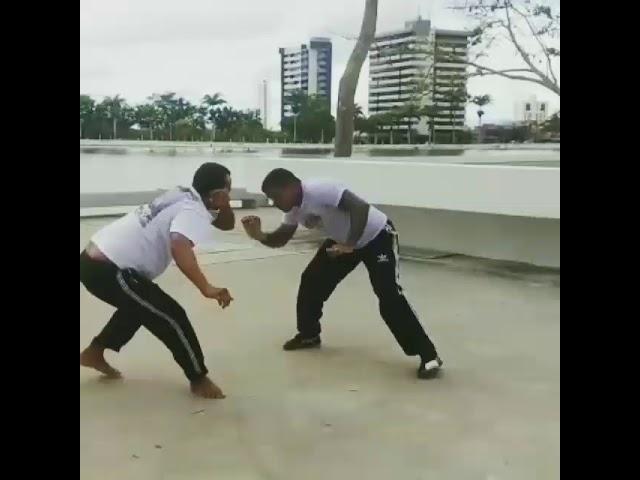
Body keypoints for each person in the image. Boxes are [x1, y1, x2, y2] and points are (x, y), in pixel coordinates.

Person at [241, 169, 442, 379]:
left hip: (376, 236)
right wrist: (260, 236)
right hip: (344, 242)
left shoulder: (320, 189)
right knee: (312, 280)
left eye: (276, 196)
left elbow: (360, 208)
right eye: (271, 199)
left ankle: (429, 355)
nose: (274, 203)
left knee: (389, 295)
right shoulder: (293, 210)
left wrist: (349, 244)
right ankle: (309, 334)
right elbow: (281, 239)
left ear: (291, 187)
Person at [80, 162, 235, 399]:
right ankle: (198, 378)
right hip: (108, 269)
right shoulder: (193, 211)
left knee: (139, 307)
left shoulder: (184, 193)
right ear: (216, 194)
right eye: (228, 190)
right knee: (171, 316)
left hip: (96, 260)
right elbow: (179, 245)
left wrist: (222, 202)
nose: (230, 195)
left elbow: (227, 223)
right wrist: (206, 287)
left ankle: (95, 352)